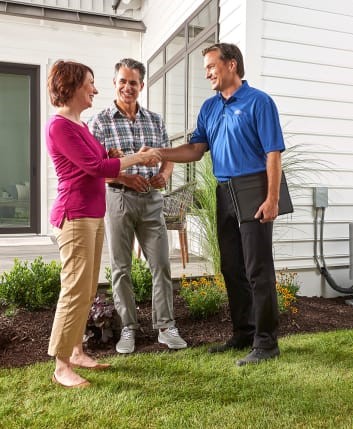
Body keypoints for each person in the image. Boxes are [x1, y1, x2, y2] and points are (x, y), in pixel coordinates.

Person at [152, 43, 285, 366]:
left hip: (254, 187)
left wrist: (272, 198)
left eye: (212, 66)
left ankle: (266, 343)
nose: (208, 73)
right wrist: (160, 153)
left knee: (258, 269)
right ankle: (244, 333)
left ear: (232, 65)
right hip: (224, 192)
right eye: (206, 69)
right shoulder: (210, 108)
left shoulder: (259, 102)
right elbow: (197, 149)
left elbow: (273, 153)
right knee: (230, 267)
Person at [46, 60, 161, 388]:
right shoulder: (59, 127)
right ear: (71, 87)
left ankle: (78, 351)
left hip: (92, 214)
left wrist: (113, 153)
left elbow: (100, 157)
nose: (95, 90)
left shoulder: (79, 125)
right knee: (74, 289)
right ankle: (61, 365)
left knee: (87, 288)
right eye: (90, 84)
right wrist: (136, 158)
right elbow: (96, 167)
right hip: (75, 215)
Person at [89, 58, 187, 354]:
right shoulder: (101, 121)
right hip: (117, 197)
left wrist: (164, 174)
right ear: (115, 83)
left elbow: (167, 154)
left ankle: (166, 326)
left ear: (141, 86)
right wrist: (125, 178)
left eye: (133, 82)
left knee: (161, 264)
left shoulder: (154, 120)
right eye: (122, 81)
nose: (127, 87)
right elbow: (97, 165)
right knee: (121, 267)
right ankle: (128, 327)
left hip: (151, 201)